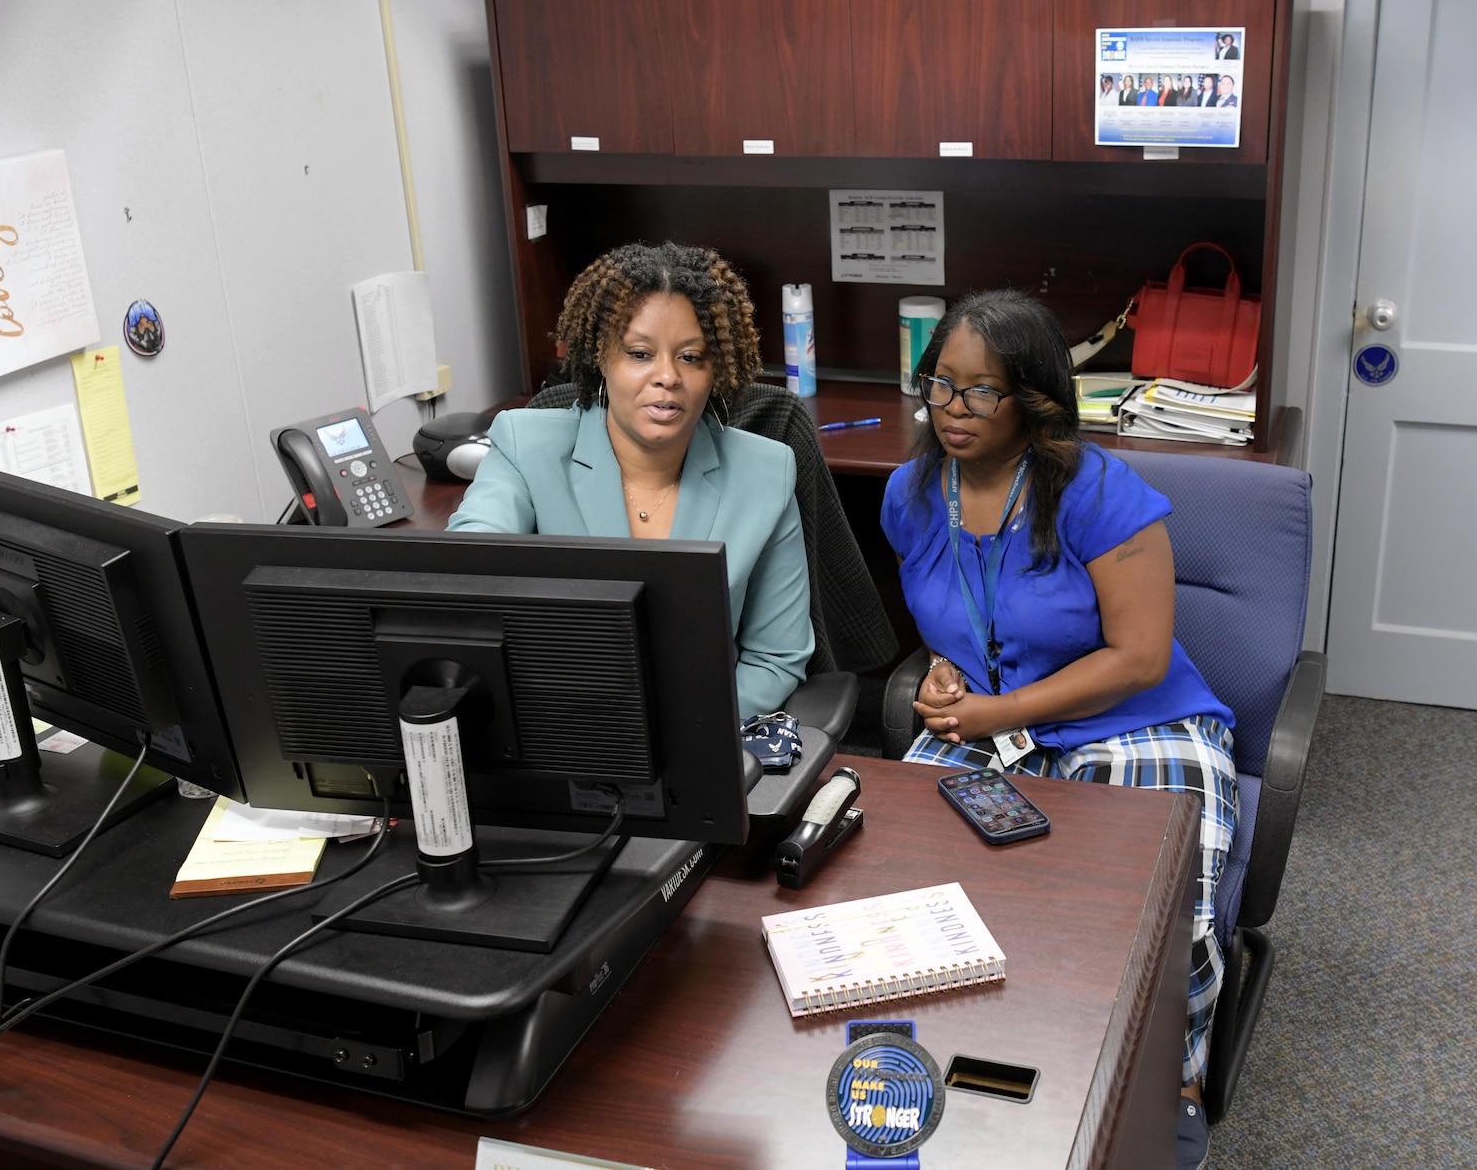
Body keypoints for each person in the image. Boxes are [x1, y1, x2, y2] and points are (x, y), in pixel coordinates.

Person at [881, 290, 1235, 1170]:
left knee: (1158, 914)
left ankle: (1170, 1082)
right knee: (922, 893)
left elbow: (1141, 656)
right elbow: (948, 617)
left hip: (1137, 722)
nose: (950, 410)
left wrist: (999, 711)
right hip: (987, 722)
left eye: (980, 392)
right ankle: (980, 1061)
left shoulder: (1097, 490)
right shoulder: (912, 492)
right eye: (940, 385)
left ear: (1035, 399)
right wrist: (944, 670)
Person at [449, 242, 814, 720]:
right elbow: (468, 572)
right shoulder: (525, 444)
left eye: (691, 357)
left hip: (699, 727)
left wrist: (678, 723)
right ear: (601, 356)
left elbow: (775, 658)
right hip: (557, 720)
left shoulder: (767, 471)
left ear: (717, 370)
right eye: (640, 354)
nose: (667, 377)